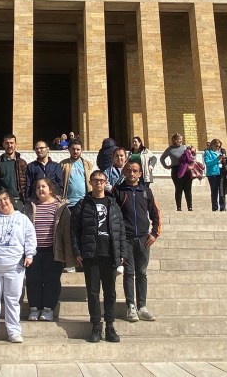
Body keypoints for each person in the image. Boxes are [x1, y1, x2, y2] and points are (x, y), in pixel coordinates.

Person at [71, 170, 126, 343]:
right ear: (91, 182)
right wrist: (77, 252)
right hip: (91, 254)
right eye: (95, 180)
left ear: (105, 182)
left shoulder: (112, 203)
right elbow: (74, 231)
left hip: (110, 254)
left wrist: (122, 252)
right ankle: (96, 325)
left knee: (110, 293)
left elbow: (120, 229)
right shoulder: (83, 204)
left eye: (102, 180)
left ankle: (110, 326)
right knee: (93, 292)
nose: (99, 183)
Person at [0, 190, 37, 344]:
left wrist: (29, 255)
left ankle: (14, 332)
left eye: (5, 199)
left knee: (12, 300)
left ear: (11, 200)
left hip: (14, 266)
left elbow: (30, 237)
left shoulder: (22, 219)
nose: (2, 202)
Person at [113, 161, 160, 323]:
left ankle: (142, 306)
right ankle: (130, 306)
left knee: (142, 273)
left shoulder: (146, 191)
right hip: (125, 238)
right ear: (124, 172)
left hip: (143, 238)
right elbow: (113, 214)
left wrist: (154, 233)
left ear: (140, 174)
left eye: (135, 171)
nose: (132, 173)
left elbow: (155, 213)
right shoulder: (117, 191)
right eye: (129, 170)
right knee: (129, 272)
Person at [24, 178, 75, 322]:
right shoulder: (30, 206)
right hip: (33, 252)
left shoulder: (60, 207)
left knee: (51, 281)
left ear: (50, 189)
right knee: (33, 280)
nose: (41, 189)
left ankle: (48, 309)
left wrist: (68, 254)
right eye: (38, 187)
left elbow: (66, 231)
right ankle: (34, 308)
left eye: (43, 187)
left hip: (53, 250)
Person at [60, 139, 92, 273]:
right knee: (70, 234)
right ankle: (71, 263)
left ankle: (84, 263)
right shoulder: (63, 164)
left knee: (84, 233)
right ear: (69, 149)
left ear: (81, 150)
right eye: (73, 149)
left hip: (84, 203)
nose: (75, 151)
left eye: (78, 149)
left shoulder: (87, 164)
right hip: (69, 203)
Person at [0, 134, 28, 212]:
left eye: (11, 143)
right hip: (3, 201)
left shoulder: (22, 163)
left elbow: (26, 183)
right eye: (7, 143)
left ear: (15, 144)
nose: (9, 145)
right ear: (3, 144)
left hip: (18, 201)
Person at [160, 133, 193, 211]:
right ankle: (179, 207)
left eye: (181, 139)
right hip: (176, 169)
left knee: (188, 189)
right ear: (174, 140)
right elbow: (162, 158)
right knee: (178, 188)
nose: (180, 140)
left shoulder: (185, 147)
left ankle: (190, 206)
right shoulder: (170, 149)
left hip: (186, 170)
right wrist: (166, 166)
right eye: (178, 139)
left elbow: (192, 157)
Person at [203, 139, 226, 211]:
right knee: (214, 191)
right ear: (212, 145)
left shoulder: (219, 152)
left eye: (219, 146)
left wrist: (225, 160)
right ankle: (215, 207)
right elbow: (207, 163)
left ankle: (223, 207)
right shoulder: (207, 152)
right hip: (212, 173)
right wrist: (217, 159)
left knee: (222, 190)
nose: (217, 148)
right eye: (216, 146)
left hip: (221, 172)